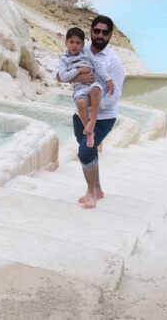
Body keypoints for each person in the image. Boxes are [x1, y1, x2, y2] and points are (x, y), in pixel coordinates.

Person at [53, 15, 124, 209]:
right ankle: (98, 189)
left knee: (84, 152)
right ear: (91, 31)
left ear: (110, 35)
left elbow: (116, 94)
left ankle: (91, 192)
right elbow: (57, 74)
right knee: (90, 149)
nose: (100, 35)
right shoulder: (79, 50)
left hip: (103, 116)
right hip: (80, 112)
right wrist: (77, 77)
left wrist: (95, 106)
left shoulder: (113, 61)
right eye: (97, 31)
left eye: (105, 32)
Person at [54, 27, 115, 148]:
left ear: (83, 45)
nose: (74, 45)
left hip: (93, 83)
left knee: (96, 90)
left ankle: (92, 121)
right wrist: (78, 70)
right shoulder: (64, 60)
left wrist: (108, 79)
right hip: (79, 88)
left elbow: (97, 66)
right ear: (66, 43)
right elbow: (63, 76)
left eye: (78, 43)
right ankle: (89, 132)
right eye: (71, 42)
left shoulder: (86, 53)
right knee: (80, 103)